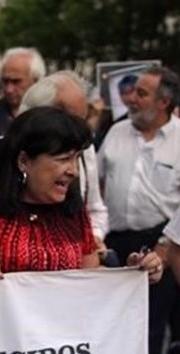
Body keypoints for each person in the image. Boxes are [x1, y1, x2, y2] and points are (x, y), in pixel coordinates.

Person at [0, 106, 164, 291]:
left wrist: (131, 273)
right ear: (24, 161)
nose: (74, 171)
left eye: (76, 158)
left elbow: (89, 274)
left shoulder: (72, 209)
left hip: (53, 351)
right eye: (62, 159)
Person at [98, 66, 180, 354]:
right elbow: (97, 185)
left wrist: (165, 251)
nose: (130, 99)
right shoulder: (116, 132)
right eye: (131, 91)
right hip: (113, 244)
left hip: (162, 245)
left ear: (163, 101)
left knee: (149, 333)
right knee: (106, 331)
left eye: (141, 93)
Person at [19, 70, 110, 257]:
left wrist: (93, 238)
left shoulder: (85, 149)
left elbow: (95, 210)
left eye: (81, 120)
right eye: (62, 159)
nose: (73, 171)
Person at [0, 47, 45, 138]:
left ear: (35, 81)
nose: (9, 89)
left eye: (16, 81)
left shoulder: (51, 116)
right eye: (5, 81)